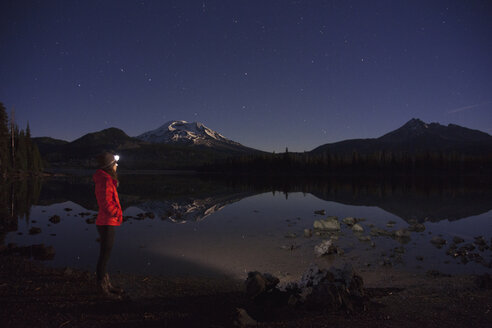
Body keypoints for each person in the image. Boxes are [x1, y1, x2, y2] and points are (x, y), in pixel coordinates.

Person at [93, 152, 124, 297]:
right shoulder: (105, 180)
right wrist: (117, 213)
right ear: (110, 166)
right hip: (106, 222)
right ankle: (102, 287)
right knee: (104, 256)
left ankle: (107, 284)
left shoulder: (107, 179)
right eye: (115, 163)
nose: (117, 165)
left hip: (106, 221)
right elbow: (105, 203)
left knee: (106, 255)